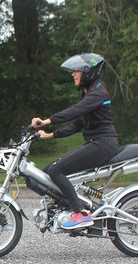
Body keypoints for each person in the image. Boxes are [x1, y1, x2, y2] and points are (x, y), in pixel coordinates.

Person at [31, 53, 119, 230]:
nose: (73, 74)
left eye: (76, 71)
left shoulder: (98, 93)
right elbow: (77, 124)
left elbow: (74, 111)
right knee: (47, 171)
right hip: (96, 143)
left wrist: (47, 121)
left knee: (56, 170)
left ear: (88, 72)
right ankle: (67, 208)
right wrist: (50, 135)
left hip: (103, 144)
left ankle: (81, 214)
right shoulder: (90, 93)